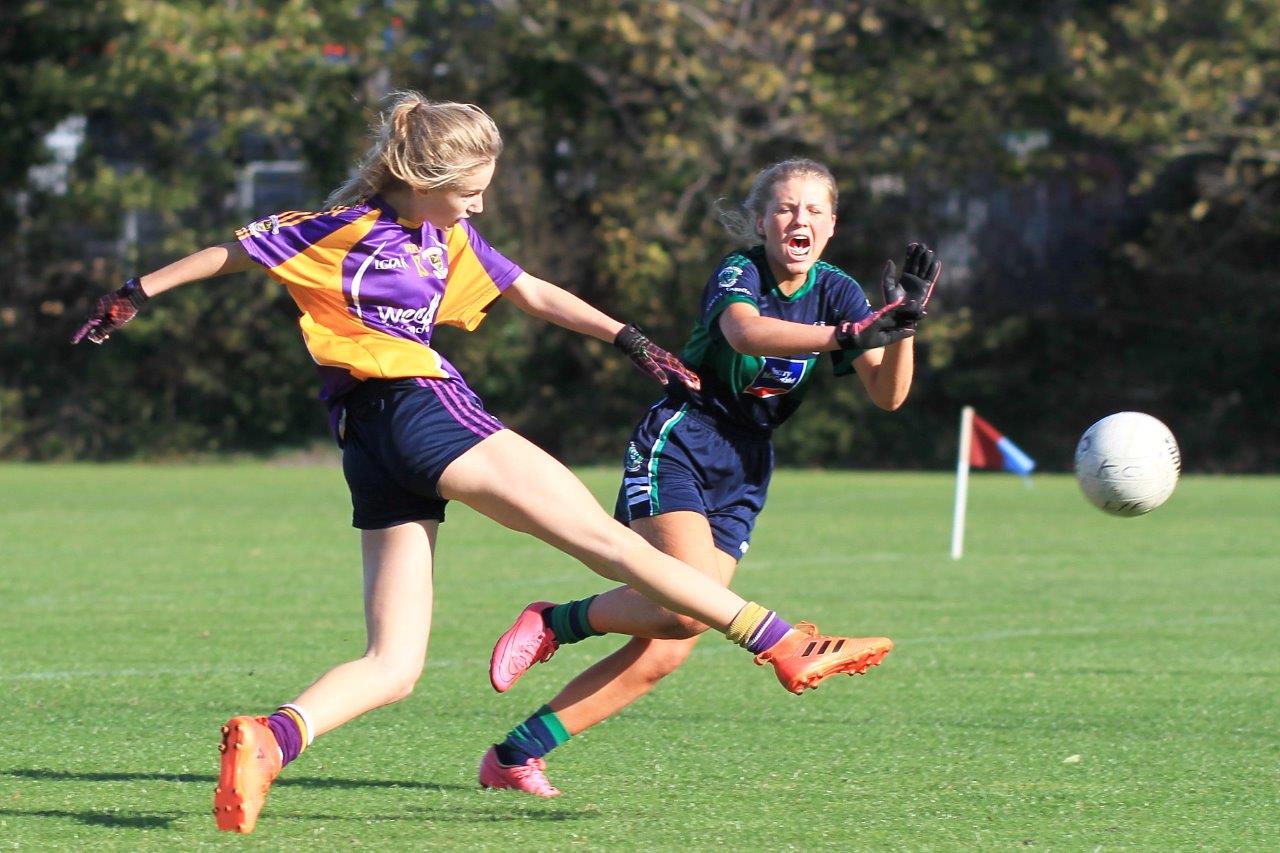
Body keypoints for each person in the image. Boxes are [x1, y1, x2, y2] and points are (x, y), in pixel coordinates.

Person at [71, 97, 915, 833]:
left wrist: (625, 337)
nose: (483, 197)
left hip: (368, 444)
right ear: (424, 174)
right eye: (473, 183)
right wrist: (135, 292)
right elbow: (236, 251)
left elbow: (531, 290)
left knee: (394, 664)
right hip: (417, 403)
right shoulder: (349, 228)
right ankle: (784, 641)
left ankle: (272, 736)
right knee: (610, 541)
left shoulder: (449, 234)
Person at [481, 158, 941, 798]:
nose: (797, 220)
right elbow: (745, 331)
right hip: (683, 440)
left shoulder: (839, 292)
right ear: (762, 221)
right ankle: (555, 622)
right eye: (784, 208)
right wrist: (849, 334)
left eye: (813, 210)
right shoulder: (742, 270)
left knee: (672, 640)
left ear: (832, 226)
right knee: (689, 607)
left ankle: (514, 756)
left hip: (748, 464)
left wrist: (905, 325)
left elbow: (888, 395)